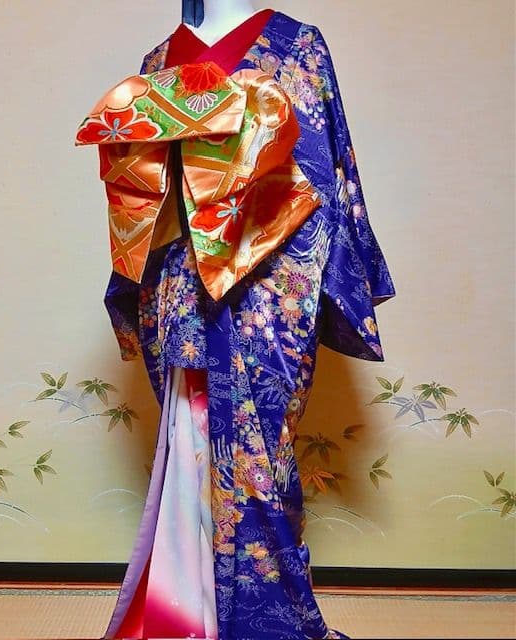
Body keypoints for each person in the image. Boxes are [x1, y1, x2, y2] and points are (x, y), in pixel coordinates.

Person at [75, 5, 396, 639]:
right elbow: (136, 192)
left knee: (260, 452)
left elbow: (324, 169)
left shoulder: (297, 45)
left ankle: (266, 620)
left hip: (271, 283)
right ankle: (185, 614)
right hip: (179, 281)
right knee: (191, 434)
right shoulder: (159, 60)